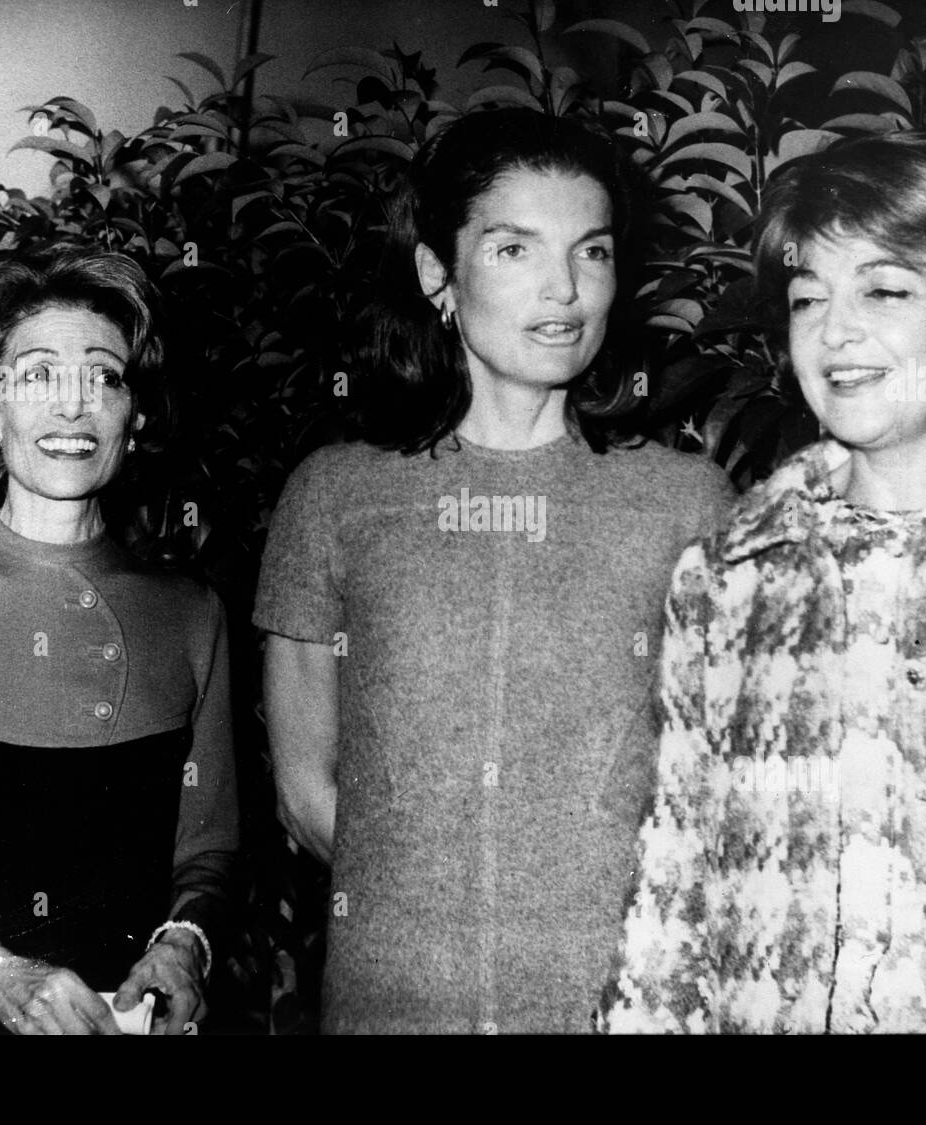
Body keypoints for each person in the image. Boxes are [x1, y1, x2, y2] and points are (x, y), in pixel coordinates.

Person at [600, 132, 926, 1034]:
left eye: (885, 290)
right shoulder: (726, 579)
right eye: (809, 299)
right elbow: (675, 898)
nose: (835, 331)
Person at [254, 108, 734, 1033]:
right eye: (516, 249)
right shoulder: (337, 494)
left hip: (627, 1006)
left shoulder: (688, 502)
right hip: (392, 1003)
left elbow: (726, 783)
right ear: (439, 271)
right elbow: (308, 794)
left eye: (592, 253)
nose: (565, 289)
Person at [0, 244, 238, 1034]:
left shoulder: (192, 614)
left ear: (139, 411)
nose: (72, 406)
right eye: (37, 375)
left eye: (104, 375)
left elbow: (208, 855)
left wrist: (184, 944)